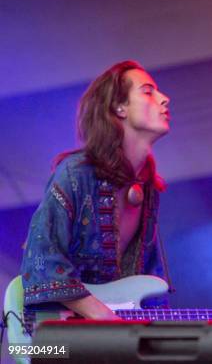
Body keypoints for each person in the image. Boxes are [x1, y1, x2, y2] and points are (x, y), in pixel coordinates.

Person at [20, 61, 171, 319]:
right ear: (118, 107)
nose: (164, 99)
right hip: (56, 337)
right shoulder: (76, 173)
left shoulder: (148, 189)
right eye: (148, 91)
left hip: (111, 344)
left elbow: (146, 279)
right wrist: (104, 318)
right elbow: (41, 259)